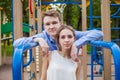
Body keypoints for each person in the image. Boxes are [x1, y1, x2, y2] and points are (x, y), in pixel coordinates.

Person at [13, 9, 103, 60]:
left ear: (60, 23)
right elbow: (16, 43)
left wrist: (76, 44)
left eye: (54, 23)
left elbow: (98, 33)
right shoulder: (43, 36)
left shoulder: (68, 34)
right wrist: (38, 39)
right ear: (44, 27)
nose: (51, 26)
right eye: (47, 24)